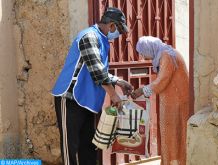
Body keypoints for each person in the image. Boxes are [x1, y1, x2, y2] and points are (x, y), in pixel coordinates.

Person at [51, 7, 133, 165]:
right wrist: (113, 95)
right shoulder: (89, 36)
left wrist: (119, 81)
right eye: (119, 31)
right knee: (70, 146)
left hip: (86, 101)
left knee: (87, 146)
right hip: (70, 98)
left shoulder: (101, 38)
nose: (117, 36)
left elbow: (96, 69)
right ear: (111, 26)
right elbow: (97, 71)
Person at [131, 36, 189, 165]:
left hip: (175, 101)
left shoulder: (166, 56)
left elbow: (162, 80)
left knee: (172, 134)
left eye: (142, 52)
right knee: (175, 134)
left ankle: (173, 162)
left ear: (149, 48)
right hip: (174, 99)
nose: (143, 56)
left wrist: (142, 90)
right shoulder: (166, 53)